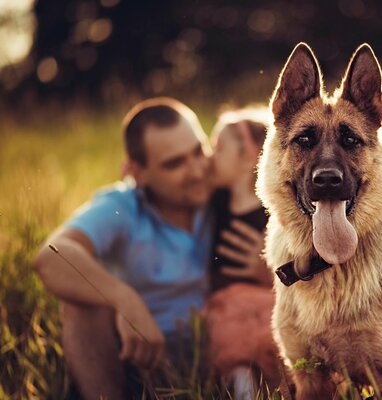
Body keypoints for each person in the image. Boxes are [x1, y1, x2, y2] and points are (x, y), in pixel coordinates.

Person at [33, 98, 265, 399]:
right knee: (81, 301)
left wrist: (270, 268)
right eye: (174, 164)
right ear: (136, 172)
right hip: (141, 360)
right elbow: (52, 255)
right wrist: (123, 299)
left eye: (198, 151)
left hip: (225, 352)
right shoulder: (123, 206)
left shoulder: (221, 194)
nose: (196, 171)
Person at [204, 108, 279, 399]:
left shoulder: (273, 211)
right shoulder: (216, 200)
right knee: (234, 350)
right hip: (228, 305)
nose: (210, 157)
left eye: (218, 148)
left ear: (249, 159)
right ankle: (244, 390)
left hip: (267, 301)